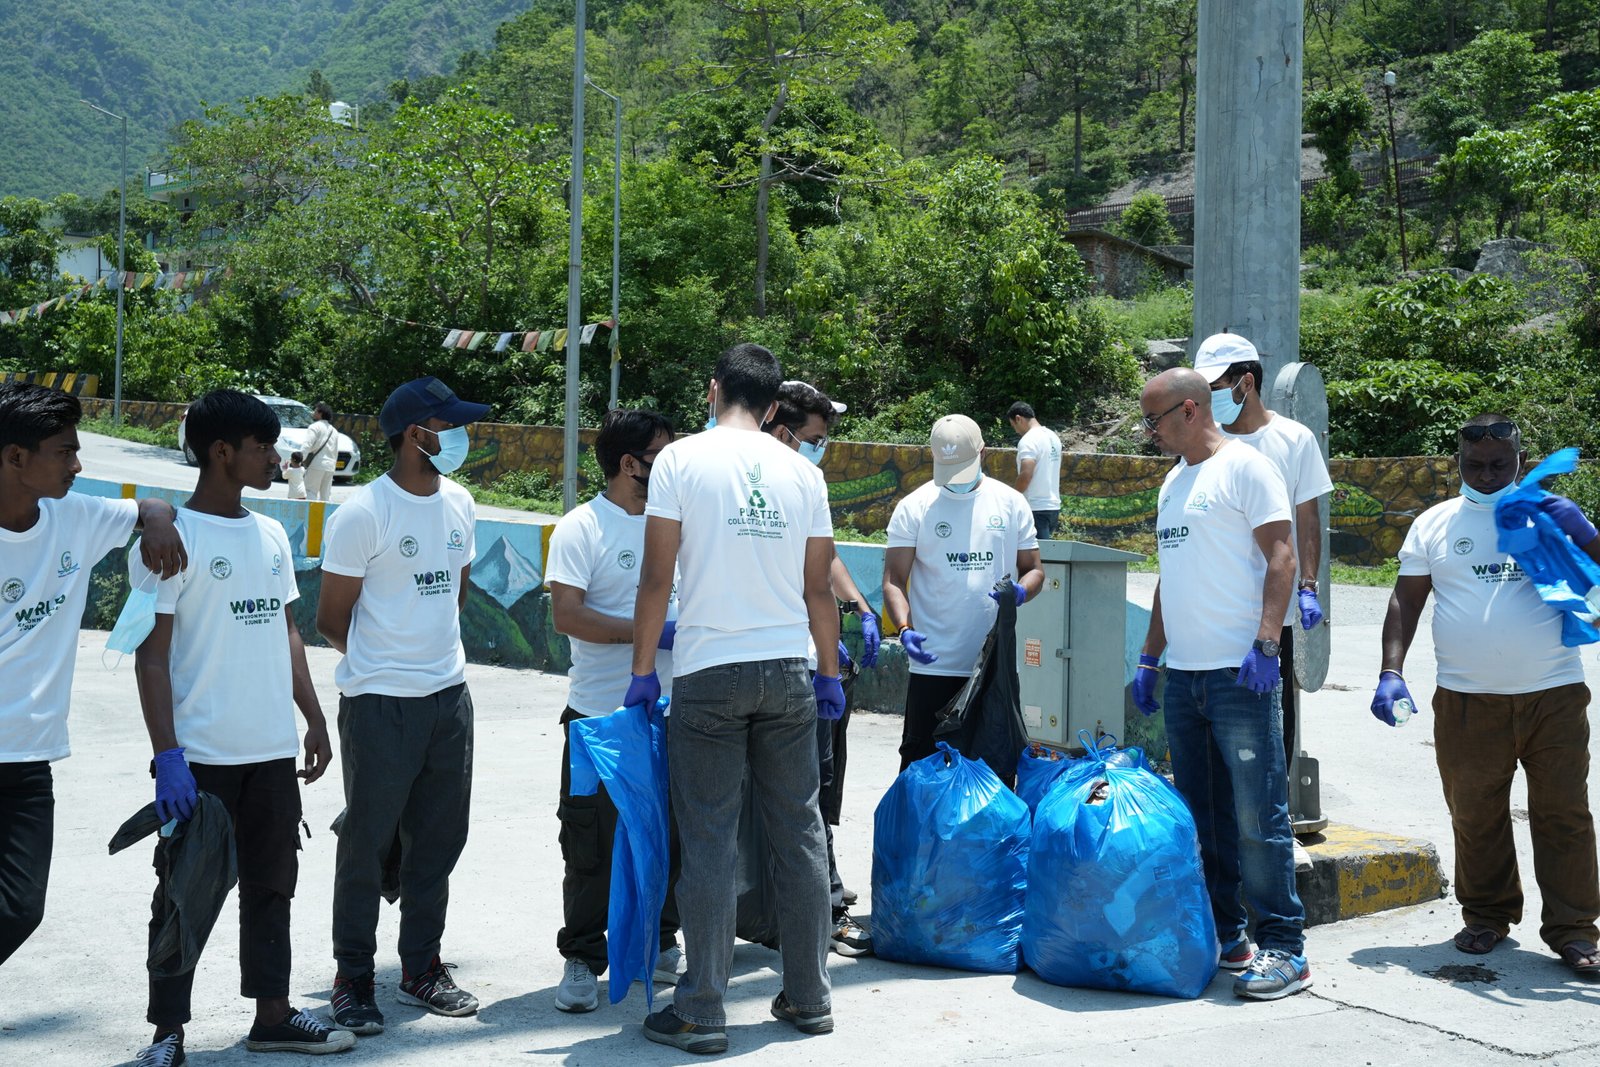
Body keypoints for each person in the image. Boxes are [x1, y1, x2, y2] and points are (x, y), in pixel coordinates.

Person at [623, 343, 841, 1056]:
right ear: (775, 405)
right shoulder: (802, 472)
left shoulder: (681, 461)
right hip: (788, 669)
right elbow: (818, 587)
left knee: (711, 836)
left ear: (713, 389)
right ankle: (809, 995)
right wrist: (829, 671)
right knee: (799, 831)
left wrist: (643, 669)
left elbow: (657, 577)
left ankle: (701, 1009)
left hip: (710, 670)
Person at [129, 390, 353, 1066]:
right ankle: (168, 1033)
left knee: (272, 887)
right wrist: (168, 755)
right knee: (183, 896)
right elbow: (151, 656)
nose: (276, 457)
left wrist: (312, 715)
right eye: (262, 447)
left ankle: (273, 1016)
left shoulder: (271, 534)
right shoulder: (172, 539)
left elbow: (287, 631)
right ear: (222, 452)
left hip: (270, 752)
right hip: (201, 760)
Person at [1372, 414, 1600, 974]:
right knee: (1475, 814)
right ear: (1459, 462)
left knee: (1564, 814)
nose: (1488, 475)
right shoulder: (1434, 524)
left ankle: (1574, 929)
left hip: (1553, 692)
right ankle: (1487, 915)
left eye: (1500, 464)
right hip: (1467, 699)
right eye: (1475, 465)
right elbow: (1406, 599)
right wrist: (1390, 671)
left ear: (1521, 460)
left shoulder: (1549, 516)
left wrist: (1586, 533)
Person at [1129, 368, 1310, 1001]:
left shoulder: (1246, 468)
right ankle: (1228, 937)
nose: (1147, 432)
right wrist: (1151, 658)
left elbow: (1282, 555)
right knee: (1203, 815)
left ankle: (1286, 947)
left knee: (1259, 818)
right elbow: (1170, 577)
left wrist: (1267, 644)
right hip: (1186, 678)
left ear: (1188, 410)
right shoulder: (1173, 483)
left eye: (1152, 420)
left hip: (1240, 675)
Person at [317, 377, 488, 1033]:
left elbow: (456, 597)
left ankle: (420, 967)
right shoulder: (365, 512)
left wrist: (428, 661)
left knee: (438, 842)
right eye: (450, 426)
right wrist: (388, 662)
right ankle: (353, 977)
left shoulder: (461, 503)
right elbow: (332, 620)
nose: (462, 436)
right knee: (366, 844)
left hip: (449, 700)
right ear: (417, 435)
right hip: (380, 706)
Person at [0, 382, 184, 971]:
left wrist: (157, 520)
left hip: (29, 760)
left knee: (20, 907)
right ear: (15, 456)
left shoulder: (74, 515)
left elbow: (150, 506)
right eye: (65, 452)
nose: (77, 465)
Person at [546, 407, 683, 1013]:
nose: (672, 466)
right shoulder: (582, 527)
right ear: (630, 464)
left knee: (670, 834)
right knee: (591, 844)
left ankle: (662, 941)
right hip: (599, 716)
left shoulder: (674, 522)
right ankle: (582, 957)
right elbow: (567, 615)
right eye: (661, 456)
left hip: (672, 713)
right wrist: (648, 634)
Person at [762, 379, 881, 957]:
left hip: (810, 663)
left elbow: (823, 558)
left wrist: (858, 606)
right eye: (815, 436)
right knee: (798, 796)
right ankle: (820, 909)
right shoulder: (735, 479)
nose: (822, 446)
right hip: (773, 665)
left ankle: (820, 892)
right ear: (782, 430)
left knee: (816, 789)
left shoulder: (805, 482)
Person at [1194, 331, 1333, 772]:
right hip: (1214, 615)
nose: (1207, 398)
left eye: (1215, 387)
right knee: (1212, 736)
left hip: (1270, 617)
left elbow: (1307, 518)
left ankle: (1276, 806)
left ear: (1246, 382)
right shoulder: (1203, 444)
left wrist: (1307, 586)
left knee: (1270, 733)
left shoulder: (1294, 439)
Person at [883, 414, 1043, 769]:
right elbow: (894, 579)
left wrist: (1020, 592)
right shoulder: (915, 506)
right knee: (924, 769)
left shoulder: (1010, 502)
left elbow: (1034, 569)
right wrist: (904, 629)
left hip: (993, 667)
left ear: (983, 453)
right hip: (933, 665)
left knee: (992, 771)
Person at [1007, 402, 1063, 538]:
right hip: (1053, 507)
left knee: (1034, 551)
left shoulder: (1028, 440)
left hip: (1035, 508)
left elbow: (1026, 475)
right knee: (1045, 549)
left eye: (1013, 425)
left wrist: (1012, 499)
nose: (1016, 431)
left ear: (1018, 418)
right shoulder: (1053, 437)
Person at [302, 403, 338, 503]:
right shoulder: (334, 430)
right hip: (330, 466)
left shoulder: (314, 427)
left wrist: (300, 460)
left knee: (310, 492)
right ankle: (327, 513)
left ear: (320, 413)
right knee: (326, 495)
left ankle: (311, 513)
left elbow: (307, 445)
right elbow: (335, 451)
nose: (313, 413)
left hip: (317, 465)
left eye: (315, 411)